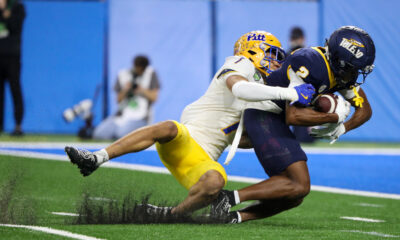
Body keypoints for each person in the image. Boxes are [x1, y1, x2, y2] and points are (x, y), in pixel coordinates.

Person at [65, 31, 316, 218]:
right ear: (253, 50)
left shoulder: (265, 92)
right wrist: (288, 94)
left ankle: (170, 215)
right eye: (272, 54)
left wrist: (330, 117)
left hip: (202, 159)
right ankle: (96, 157)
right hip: (185, 140)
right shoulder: (241, 64)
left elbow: (249, 138)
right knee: (169, 127)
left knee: (215, 183)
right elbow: (240, 88)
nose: (276, 62)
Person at [211, 26, 376, 223]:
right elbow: (294, 116)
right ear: (339, 61)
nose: (355, 75)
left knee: (293, 195)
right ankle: (227, 199)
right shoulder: (311, 62)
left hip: (276, 118)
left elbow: (365, 110)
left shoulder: (340, 73)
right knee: (300, 185)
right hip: (263, 113)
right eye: (352, 69)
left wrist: (342, 128)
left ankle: (234, 217)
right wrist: (333, 118)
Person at [92, 55, 160, 139]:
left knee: (121, 134)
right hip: (121, 116)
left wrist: (141, 90)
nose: (139, 71)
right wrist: (126, 89)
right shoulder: (124, 75)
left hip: (140, 117)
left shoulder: (151, 74)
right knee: (98, 134)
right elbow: (118, 100)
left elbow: (154, 97)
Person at [0, 0, 25, 136]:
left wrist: (5, 12)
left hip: (12, 56)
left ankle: (18, 125)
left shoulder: (17, 7)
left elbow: (15, 27)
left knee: (15, 89)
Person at [287, 26, 316, 143]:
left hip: (307, 93)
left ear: (302, 38)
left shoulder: (311, 54)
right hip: (291, 93)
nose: (295, 40)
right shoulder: (288, 53)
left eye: (296, 38)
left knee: (306, 138)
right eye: (294, 38)